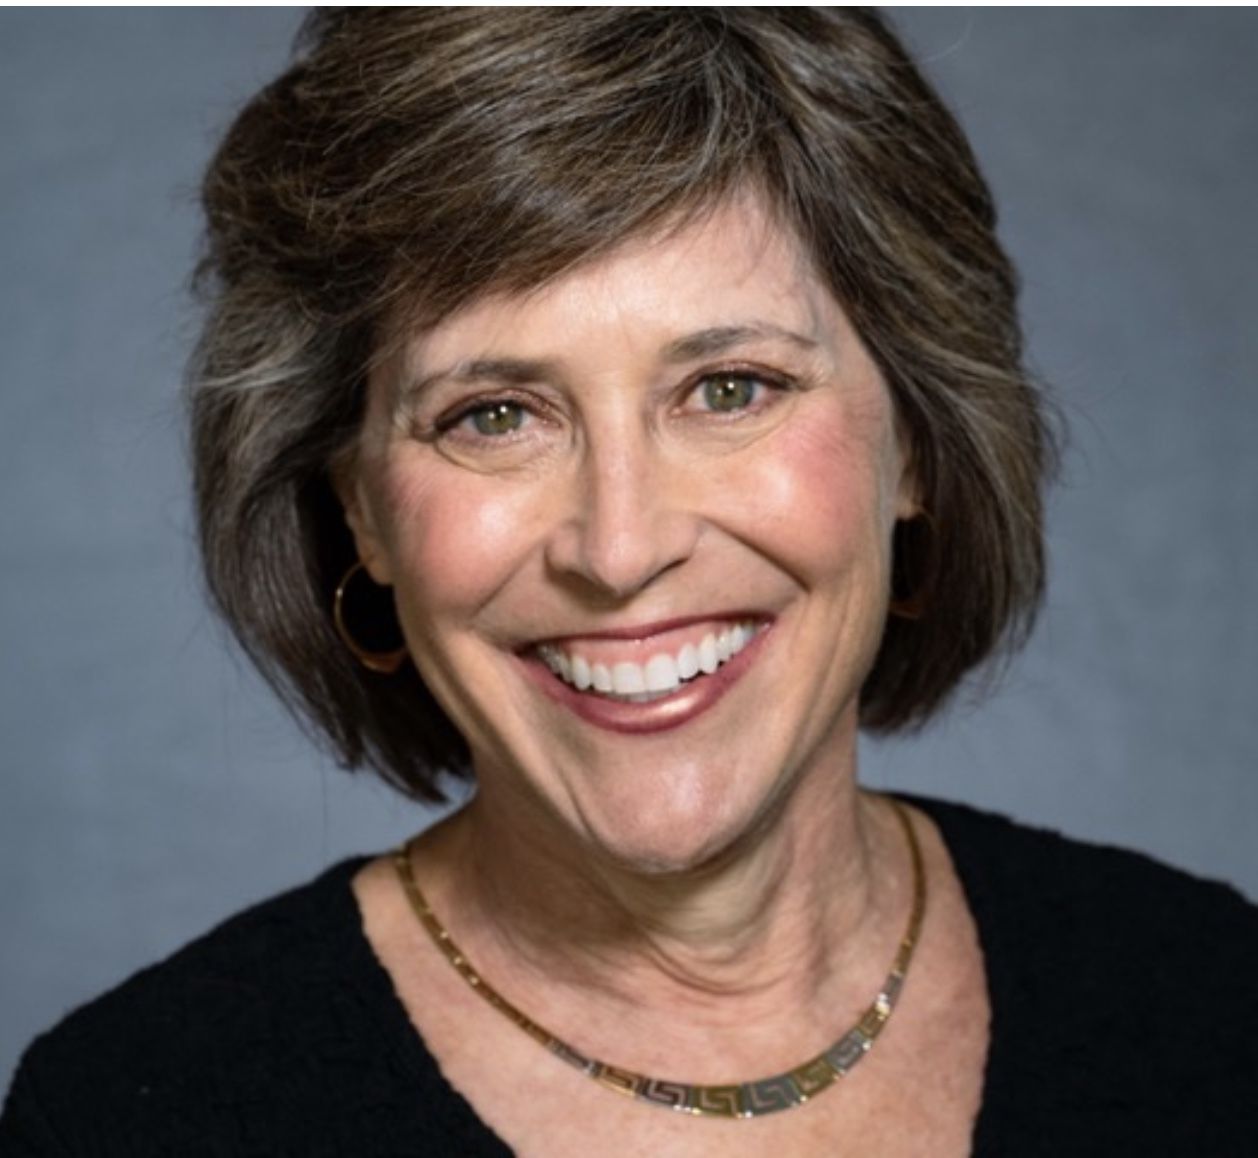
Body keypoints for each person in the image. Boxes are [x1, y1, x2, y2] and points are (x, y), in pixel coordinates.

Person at [2, 9, 1255, 1155]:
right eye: (495, 414)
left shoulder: (1211, 1004)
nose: (618, 547)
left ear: (916, 443)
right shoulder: (139, 1114)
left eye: (728, 390)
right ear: (361, 512)